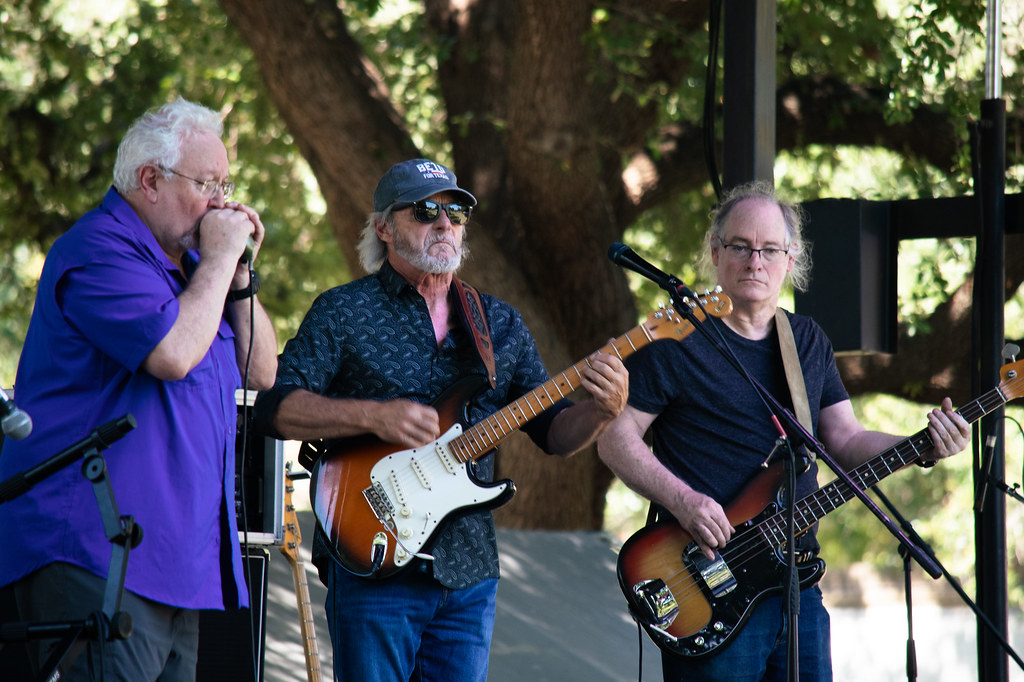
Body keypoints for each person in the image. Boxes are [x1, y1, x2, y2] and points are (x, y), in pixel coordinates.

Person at [253, 157, 629, 681]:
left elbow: (555, 434)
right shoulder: (343, 312)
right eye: (425, 211)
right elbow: (274, 408)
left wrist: (601, 412)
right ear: (384, 228)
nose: (445, 223)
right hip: (372, 557)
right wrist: (373, 416)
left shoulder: (498, 322)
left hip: (467, 572)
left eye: (456, 212)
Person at [596, 181, 970, 682]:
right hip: (706, 578)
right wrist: (684, 501)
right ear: (715, 253)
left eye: (770, 249)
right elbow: (614, 439)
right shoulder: (676, 340)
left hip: (796, 583)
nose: (756, 261)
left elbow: (845, 440)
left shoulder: (807, 340)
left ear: (791, 260)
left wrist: (923, 446)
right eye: (741, 246)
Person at [0, 97, 278, 680]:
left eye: (225, 186)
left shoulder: (197, 271)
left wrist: (237, 274)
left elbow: (261, 373)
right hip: (95, 549)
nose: (221, 203)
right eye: (206, 184)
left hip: (176, 561)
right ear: (150, 180)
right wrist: (219, 261)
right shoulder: (97, 248)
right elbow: (172, 354)